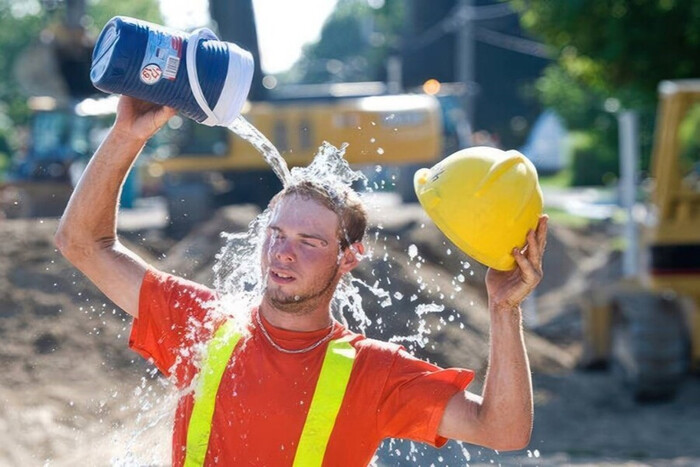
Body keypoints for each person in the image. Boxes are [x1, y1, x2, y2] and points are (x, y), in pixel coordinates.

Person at [55, 96, 548, 466]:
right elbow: (82, 243)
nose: (282, 253)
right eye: (277, 233)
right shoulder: (202, 323)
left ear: (348, 257)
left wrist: (505, 311)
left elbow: (502, 429)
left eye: (309, 242)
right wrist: (126, 133)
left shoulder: (373, 372)